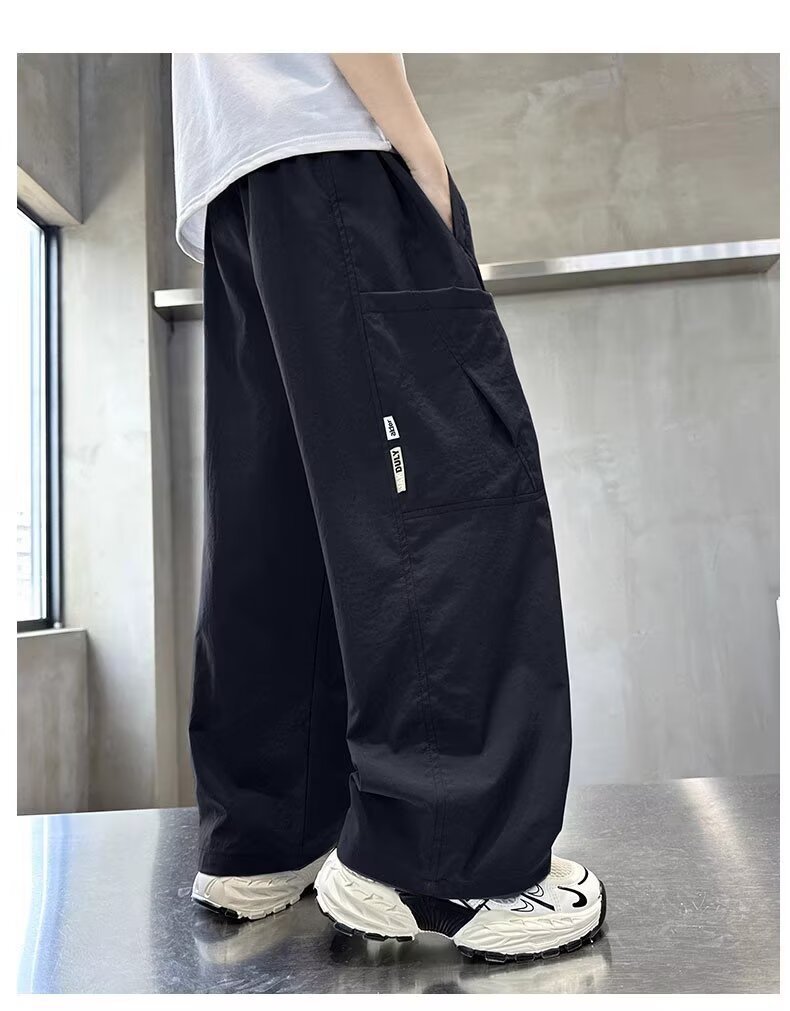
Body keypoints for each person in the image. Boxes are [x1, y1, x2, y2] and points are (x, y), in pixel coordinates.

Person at [171, 52, 606, 963]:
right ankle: (449, 858)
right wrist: (422, 156)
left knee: (280, 517)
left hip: (231, 179)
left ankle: (265, 835)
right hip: (336, 148)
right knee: (453, 497)